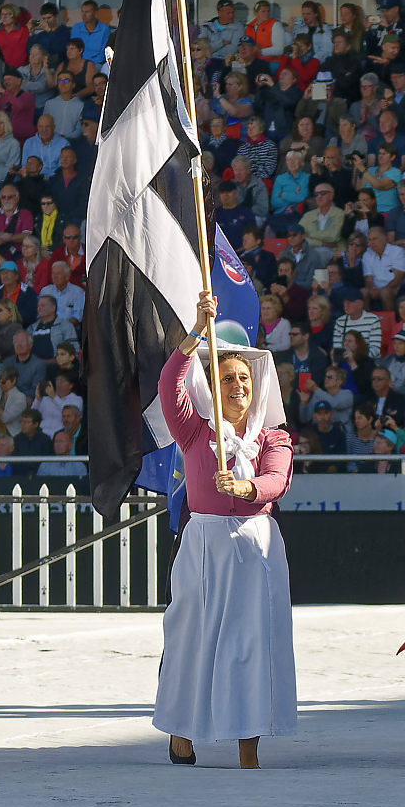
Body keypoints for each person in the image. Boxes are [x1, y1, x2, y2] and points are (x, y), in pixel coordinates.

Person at [154, 290, 296, 769]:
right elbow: (171, 380)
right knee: (191, 637)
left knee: (251, 642)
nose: (237, 386)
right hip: (204, 544)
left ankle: (248, 747)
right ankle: (182, 731)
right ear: (211, 386)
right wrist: (196, 331)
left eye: (243, 378)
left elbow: (277, 480)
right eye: (226, 378)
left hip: (255, 546)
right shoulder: (195, 430)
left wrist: (245, 486)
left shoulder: (273, 436)